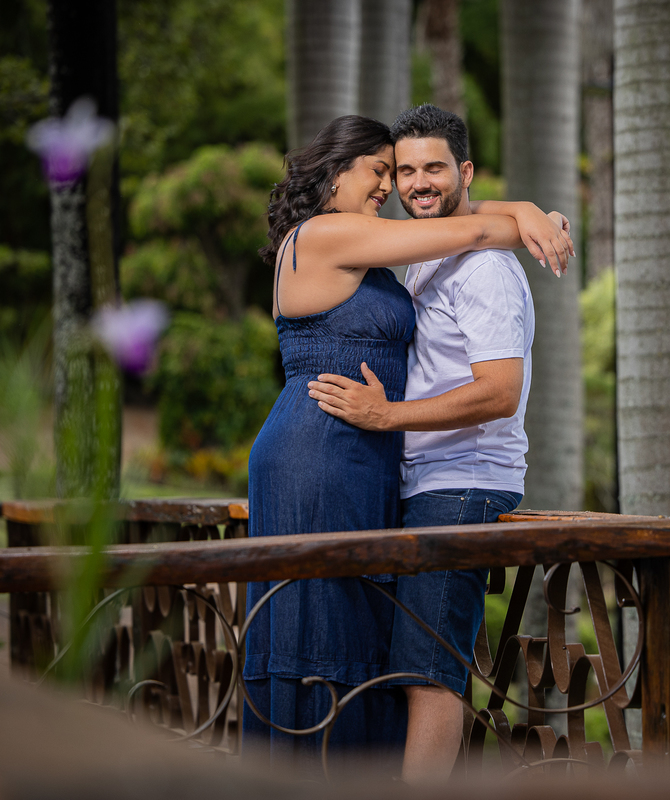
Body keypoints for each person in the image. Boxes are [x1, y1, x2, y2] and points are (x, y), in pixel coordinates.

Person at [244, 114, 570, 775]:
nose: (389, 186)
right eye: (382, 171)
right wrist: (532, 215)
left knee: (355, 634)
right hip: (322, 450)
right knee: (319, 627)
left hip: (363, 455)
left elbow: (462, 221)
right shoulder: (330, 233)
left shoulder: (373, 242)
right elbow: (469, 226)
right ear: (337, 171)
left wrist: (522, 211)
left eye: (396, 173)